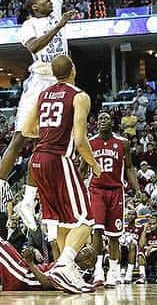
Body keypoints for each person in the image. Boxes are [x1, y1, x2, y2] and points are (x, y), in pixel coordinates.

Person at [0, 0, 80, 230]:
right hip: (39, 82)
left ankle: (27, 201)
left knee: (47, 146)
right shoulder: (28, 26)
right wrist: (59, 26)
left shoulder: (54, 8)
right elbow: (35, 47)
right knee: (19, 140)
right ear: (33, 7)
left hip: (61, 83)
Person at [16, 54, 100, 292]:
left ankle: (68, 274)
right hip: (59, 160)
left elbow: (27, 129)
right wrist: (94, 164)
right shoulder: (79, 96)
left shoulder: (42, 95)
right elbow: (81, 141)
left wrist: (48, 133)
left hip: (38, 160)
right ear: (73, 70)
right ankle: (64, 264)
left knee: (64, 222)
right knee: (86, 219)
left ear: (54, 73)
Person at [0, 227, 97, 294]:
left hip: (24, 276)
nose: (81, 249)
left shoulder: (74, 274)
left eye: (85, 251)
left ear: (88, 262)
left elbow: (47, 284)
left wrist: (30, 263)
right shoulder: (68, 262)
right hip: (26, 271)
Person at [86, 111, 142, 287]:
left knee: (114, 235)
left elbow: (130, 167)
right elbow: (82, 168)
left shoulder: (122, 143)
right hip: (96, 190)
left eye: (106, 118)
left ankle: (113, 272)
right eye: (100, 118)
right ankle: (97, 271)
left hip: (116, 191)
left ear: (112, 123)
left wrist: (138, 189)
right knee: (97, 230)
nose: (102, 120)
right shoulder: (90, 143)